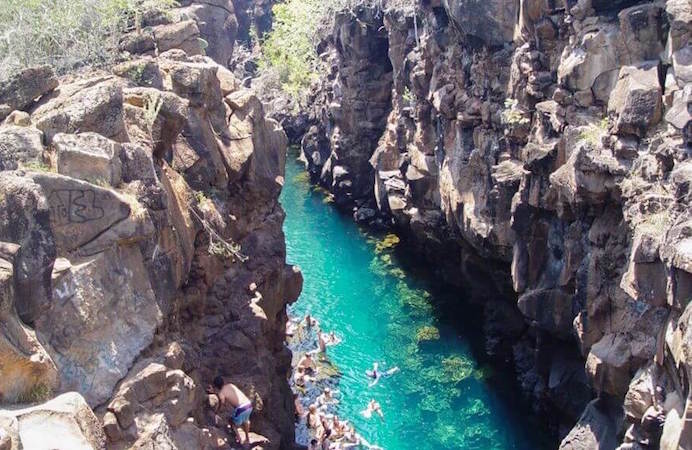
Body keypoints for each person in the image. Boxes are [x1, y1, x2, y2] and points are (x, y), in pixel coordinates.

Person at [213, 376, 253, 446]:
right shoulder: (230, 385)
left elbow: (222, 402)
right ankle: (247, 439)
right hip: (248, 404)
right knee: (246, 421)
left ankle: (239, 440)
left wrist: (217, 412)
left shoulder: (221, 392)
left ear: (216, 386)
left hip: (241, 408)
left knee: (231, 422)